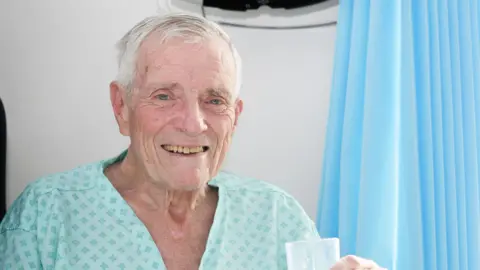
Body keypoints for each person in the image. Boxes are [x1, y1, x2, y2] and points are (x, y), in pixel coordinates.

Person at [0, 13, 384, 269]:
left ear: (234, 117)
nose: (193, 123)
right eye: (164, 96)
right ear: (122, 106)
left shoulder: (279, 219)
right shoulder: (45, 216)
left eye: (214, 100)